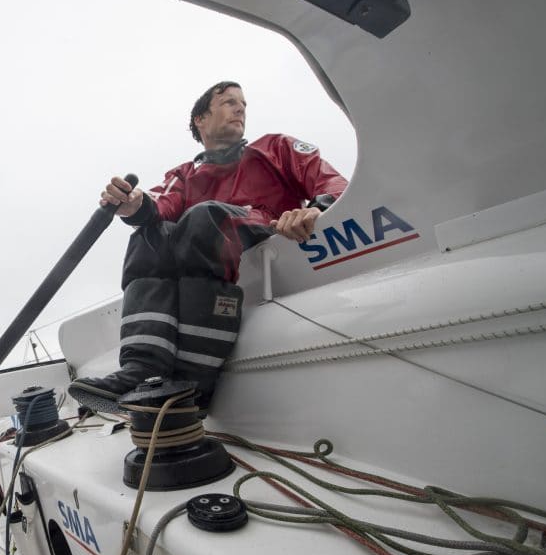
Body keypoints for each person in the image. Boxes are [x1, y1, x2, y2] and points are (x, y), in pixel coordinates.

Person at [69, 81, 348, 414]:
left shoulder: (276, 147)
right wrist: (132, 203)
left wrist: (314, 209)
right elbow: (158, 205)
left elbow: (332, 184)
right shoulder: (185, 174)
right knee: (149, 234)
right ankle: (142, 368)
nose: (240, 108)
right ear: (200, 119)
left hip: (264, 233)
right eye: (229, 102)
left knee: (205, 216)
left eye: (243, 103)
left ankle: (192, 382)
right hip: (210, 245)